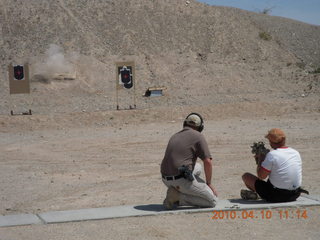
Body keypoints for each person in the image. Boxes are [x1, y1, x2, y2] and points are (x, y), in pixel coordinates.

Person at [160, 113, 218, 210]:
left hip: (166, 179)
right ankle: (178, 197)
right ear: (200, 127)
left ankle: (179, 190)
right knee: (212, 201)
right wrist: (209, 183)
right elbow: (207, 162)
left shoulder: (175, 135)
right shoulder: (198, 136)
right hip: (180, 180)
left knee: (198, 167)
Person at [242, 128, 308, 202]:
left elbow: (261, 176)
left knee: (246, 176)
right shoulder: (295, 153)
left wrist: (261, 159)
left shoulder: (272, 155)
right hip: (295, 194)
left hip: (277, 196)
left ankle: (257, 194)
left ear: (271, 142)